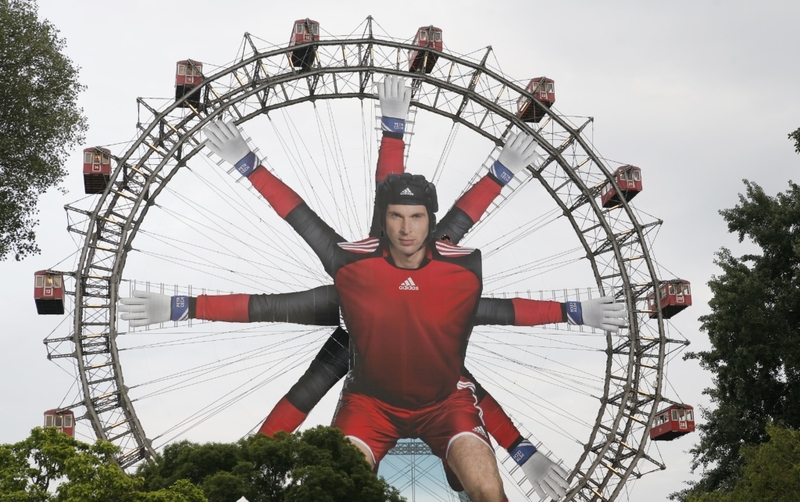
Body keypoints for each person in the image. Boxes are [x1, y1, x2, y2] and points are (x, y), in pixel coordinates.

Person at [120, 77, 626, 501]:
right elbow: (279, 263)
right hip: (369, 405)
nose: (407, 229)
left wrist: (575, 313)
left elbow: (502, 312)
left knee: (490, 493)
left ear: (431, 223)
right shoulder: (353, 264)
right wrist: (178, 303)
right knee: (338, 489)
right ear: (384, 223)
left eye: (417, 219)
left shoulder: (461, 268)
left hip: (445, 403)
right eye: (396, 219)